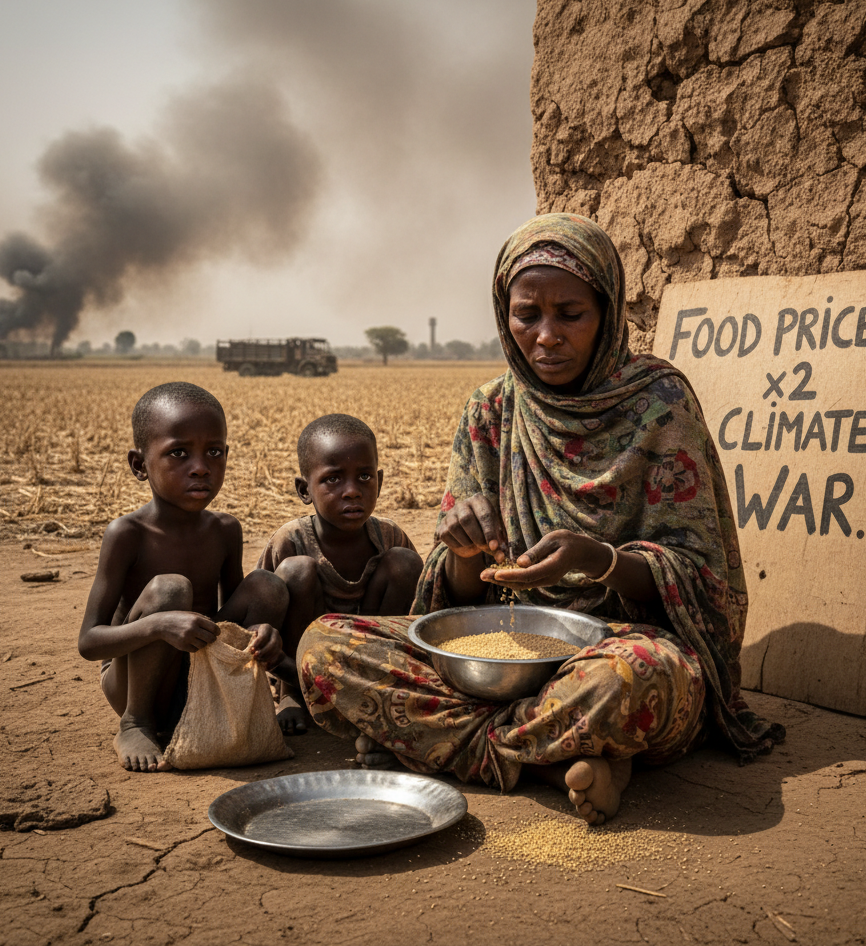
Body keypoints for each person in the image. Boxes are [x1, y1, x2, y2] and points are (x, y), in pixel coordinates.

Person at [297, 213, 785, 825]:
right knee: (323, 647)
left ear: (606, 313)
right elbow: (459, 605)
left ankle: (445, 744)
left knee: (632, 682)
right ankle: (556, 760)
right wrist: (465, 551)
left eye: (570, 314)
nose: (546, 336)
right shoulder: (490, 412)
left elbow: (699, 580)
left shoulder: (659, 404)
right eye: (527, 315)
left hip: (612, 648)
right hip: (497, 659)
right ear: (505, 315)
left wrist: (599, 560)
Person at [78, 382, 290, 773]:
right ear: (140, 465)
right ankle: (135, 725)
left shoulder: (225, 530)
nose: (200, 467)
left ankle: (226, 709)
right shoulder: (127, 534)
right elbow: (90, 643)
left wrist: (259, 631)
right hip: (132, 684)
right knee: (171, 588)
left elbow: (230, 621)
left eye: (214, 452)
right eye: (179, 453)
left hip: (194, 676)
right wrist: (158, 625)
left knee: (268, 585)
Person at [256, 413, 423, 734]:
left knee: (404, 563)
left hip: (368, 659)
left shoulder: (390, 537)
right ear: (304, 490)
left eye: (364, 477)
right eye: (333, 479)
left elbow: (420, 607)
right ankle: (293, 695)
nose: (351, 491)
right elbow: (264, 609)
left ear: (380, 481)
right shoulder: (290, 540)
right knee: (296, 571)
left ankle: (375, 683)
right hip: (299, 667)